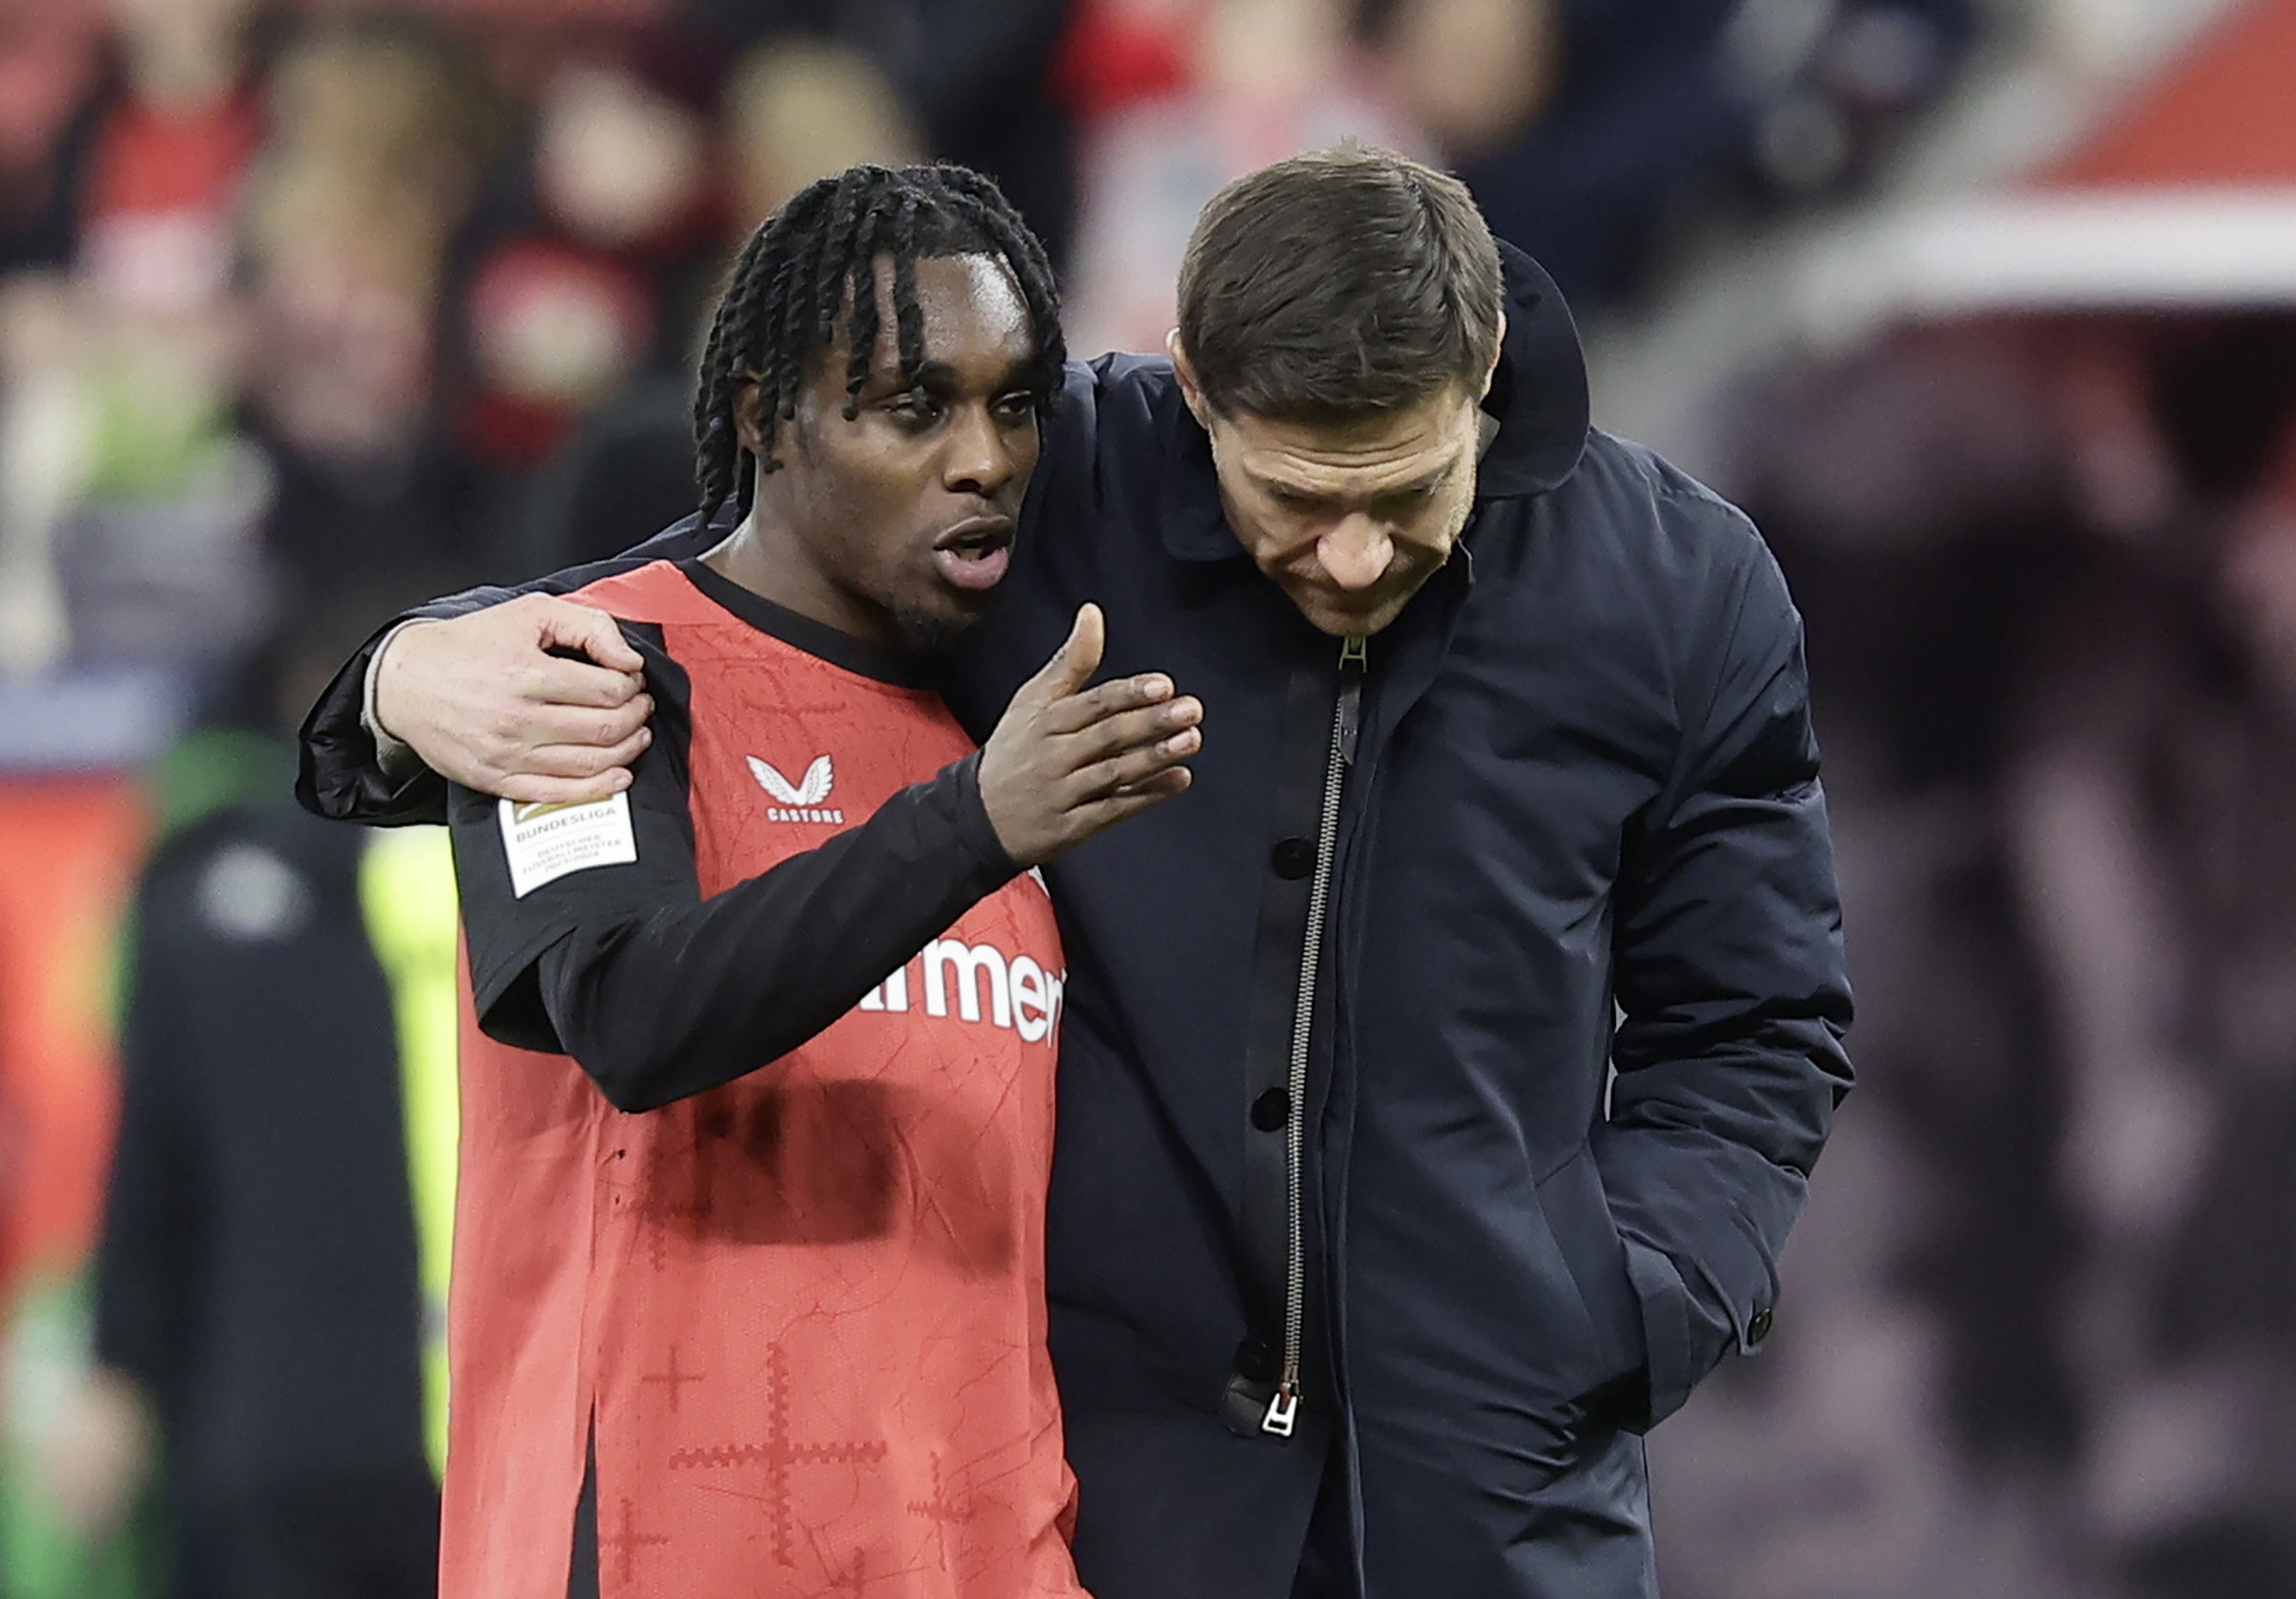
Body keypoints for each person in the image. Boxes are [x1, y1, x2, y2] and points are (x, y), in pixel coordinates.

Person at [300, 145, 1854, 1598]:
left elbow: (1759, 1024)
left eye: (1408, 492)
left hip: (1501, 1504)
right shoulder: (1054, 481)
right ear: (1195, 396)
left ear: (1488, 390)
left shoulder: (1680, 589)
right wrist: (397, 679)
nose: (1359, 553)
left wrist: (1620, 1308)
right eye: (1298, 501)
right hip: (1107, 1507)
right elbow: (713, 572)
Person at [430, 163, 1199, 1599]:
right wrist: (970, 826)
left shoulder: (1003, 724)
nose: (983, 458)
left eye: (1014, 405)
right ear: (761, 416)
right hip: (658, 1543)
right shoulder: (583, 670)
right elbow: (632, 1015)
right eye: (915, 406)